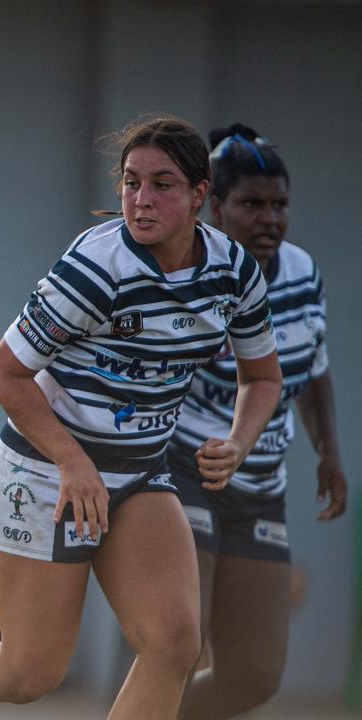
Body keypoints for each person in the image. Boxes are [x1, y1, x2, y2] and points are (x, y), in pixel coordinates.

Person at [0, 115, 284, 720]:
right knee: (28, 673)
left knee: (174, 645)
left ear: (202, 195)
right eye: (130, 182)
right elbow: (4, 373)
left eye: (162, 184)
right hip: (45, 472)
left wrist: (239, 440)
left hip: (143, 473)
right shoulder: (97, 269)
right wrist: (72, 461)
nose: (141, 200)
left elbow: (264, 376)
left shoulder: (232, 272)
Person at [173, 124, 347, 719]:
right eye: (252, 204)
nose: (269, 218)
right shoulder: (189, 276)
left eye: (280, 204)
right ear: (215, 206)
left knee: (254, 675)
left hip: (261, 485)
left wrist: (329, 452)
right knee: (177, 641)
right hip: (186, 469)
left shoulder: (301, 272)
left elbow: (313, 365)